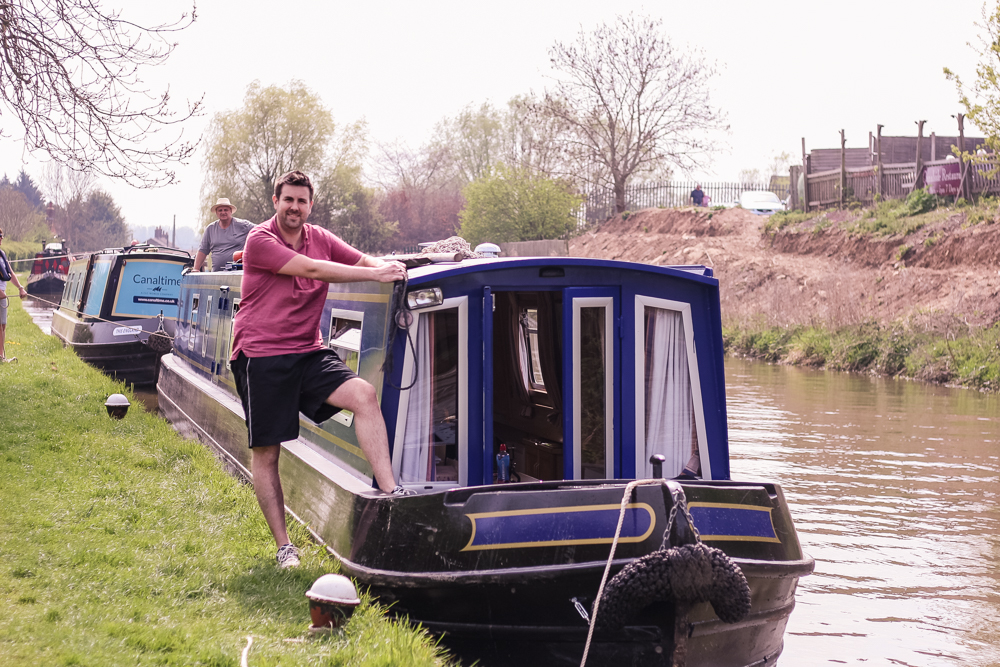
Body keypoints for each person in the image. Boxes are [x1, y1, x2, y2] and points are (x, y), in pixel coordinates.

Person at [230, 171, 410, 569]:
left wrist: (393, 266)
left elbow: (364, 260)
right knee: (268, 452)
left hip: (307, 350)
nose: (294, 207)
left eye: (302, 201)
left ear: (310, 205)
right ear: (275, 201)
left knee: (363, 394)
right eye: (288, 200)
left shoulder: (321, 237)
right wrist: (373, 274)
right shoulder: (260, 241)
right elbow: (312, 270)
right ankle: (284, 547)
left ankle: (391, 492)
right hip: (261, 355)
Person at [193, 198, 254, 271]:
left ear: (231, 211)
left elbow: (261, 230)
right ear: (216, 212)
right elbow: (202, 251)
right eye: (220, 210)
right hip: (216, 274)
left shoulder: (243, 225)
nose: (223, 212)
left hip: (238, 274)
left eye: (226, 210)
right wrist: (196, 269)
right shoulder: (210, 229)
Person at [0, 227, 28, 363]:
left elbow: (9, 273)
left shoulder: (2, 254)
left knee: (3, 325)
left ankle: (1, 357)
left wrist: (20, 288)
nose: (1, 238)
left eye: (1, 236)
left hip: (2, 295)